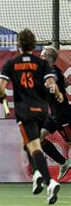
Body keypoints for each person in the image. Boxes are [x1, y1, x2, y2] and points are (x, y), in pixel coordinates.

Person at [0, 29, 64, 204]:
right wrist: (57, 93)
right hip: (42, 110)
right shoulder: (41, 64)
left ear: (18, 45)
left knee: (34, 146)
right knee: (31, 144)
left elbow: (0, 89)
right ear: (33, 45)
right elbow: (52, 84)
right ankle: (37, 176)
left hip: (25, 111)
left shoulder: (11, 64)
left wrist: (2, 98)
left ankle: (48, 182)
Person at [38, 46, 70, 180]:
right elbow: (66, 83)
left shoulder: (52, 71)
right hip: (54, 115)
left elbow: (53, 81)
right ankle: (64, 162)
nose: (40, 58)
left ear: (49, 58)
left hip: (63, 115)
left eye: (43, 56)